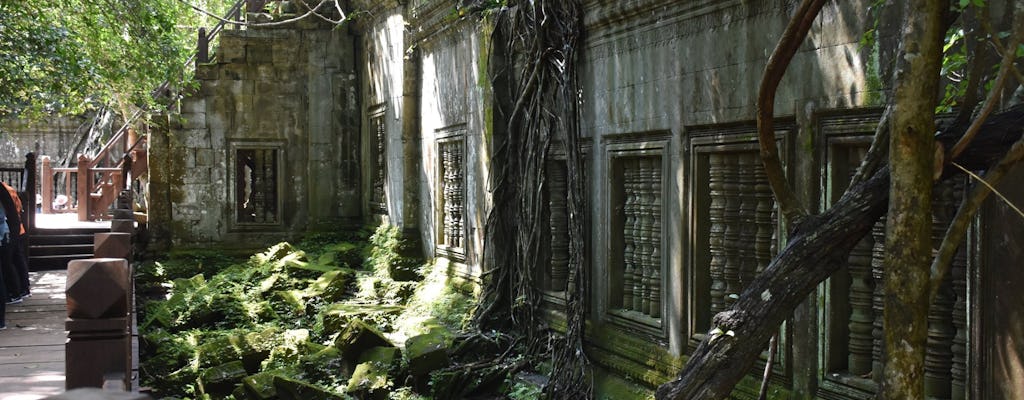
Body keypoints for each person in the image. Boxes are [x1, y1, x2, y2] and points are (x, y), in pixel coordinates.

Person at [0, 182, 28, 301]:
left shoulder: (3, 189)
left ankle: (14, 293)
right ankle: (24, 289)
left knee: (7, 261)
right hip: (16, 228)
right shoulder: (7, 188)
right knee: (17, 259)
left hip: (8, 230)